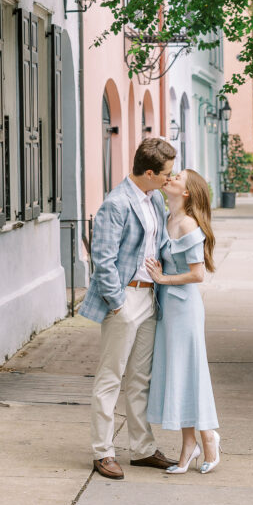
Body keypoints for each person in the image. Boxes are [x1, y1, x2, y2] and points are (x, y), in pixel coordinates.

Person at [79, 137, 178, 479]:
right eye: (166, 173)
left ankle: (142, 448)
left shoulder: (155, 201)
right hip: (124, 300)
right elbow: (102, 260)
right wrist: (118, 303)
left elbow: (161, 244)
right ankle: (103, 451)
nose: (170, 178)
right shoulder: (116, 203)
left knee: (140, 379)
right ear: (149, 172)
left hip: (149, 299)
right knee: (111, 378)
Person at [145, 168, 220, 475]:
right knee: (178, 374)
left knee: (190, 372)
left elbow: (198, 274)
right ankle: (190, 444)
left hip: (184, 309)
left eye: (177, 178)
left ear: (186, 193)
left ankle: (208, 438)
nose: (170, 178)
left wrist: (164, 277)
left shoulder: (187, 223)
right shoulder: (167, 218)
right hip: (168, 308)